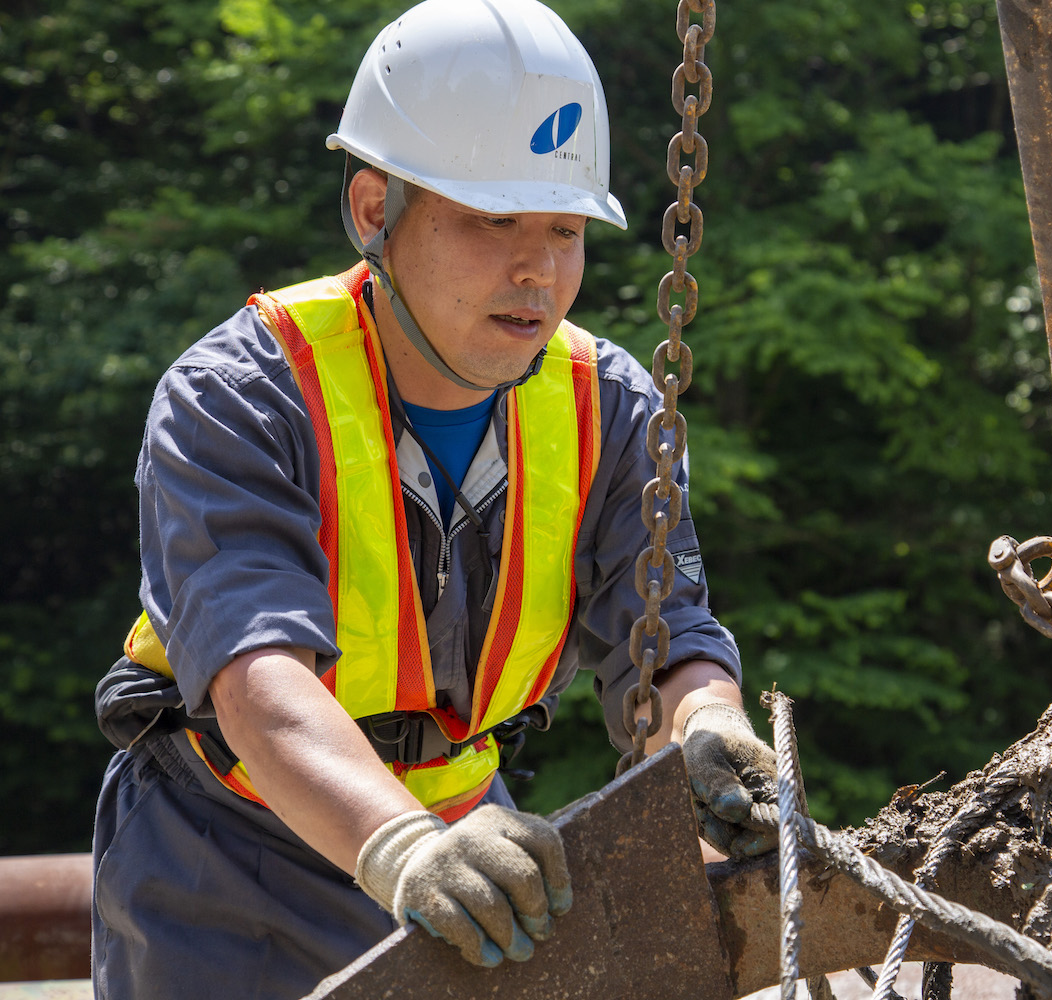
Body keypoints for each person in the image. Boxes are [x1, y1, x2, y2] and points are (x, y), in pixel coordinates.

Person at [89, 1, 777, 997]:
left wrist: (710, 725)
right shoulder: (245, 393)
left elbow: (667, 638)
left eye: (564, 227)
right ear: (375, 211)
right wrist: (404, 849)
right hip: (226, 854)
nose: (536, 268)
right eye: (493, 219)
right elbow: (256, 681)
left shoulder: (608, 405)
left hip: (475, 838)